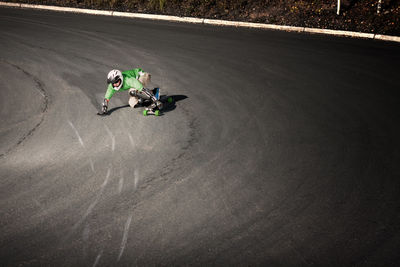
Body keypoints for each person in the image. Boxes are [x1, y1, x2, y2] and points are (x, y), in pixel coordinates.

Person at [98, 68, 162, 115]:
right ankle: (154, 91)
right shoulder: (112, 86)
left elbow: (142, 89)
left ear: (121, 78)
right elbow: (107, 97)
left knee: (132, 92)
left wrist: (155, 100)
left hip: (143, 76)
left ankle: (154, 95)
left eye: (116, 82)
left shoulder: (128, 80)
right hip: (136, 83)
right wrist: (104, 107)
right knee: (132, 103)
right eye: (113, 83)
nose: (115, 84)